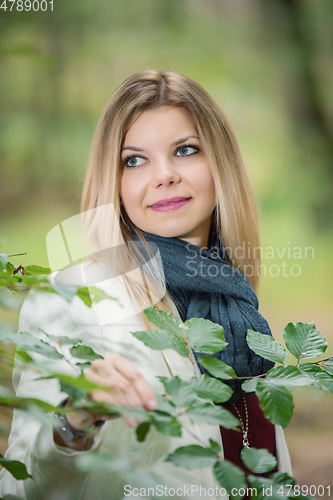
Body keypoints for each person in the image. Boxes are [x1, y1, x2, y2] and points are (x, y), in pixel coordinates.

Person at [0, 70, 292, 500]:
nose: (165, 175)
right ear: (114, 182)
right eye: (134, 160)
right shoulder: (75, 299)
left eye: (186, 150)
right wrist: (76, 418)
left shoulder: (234, 299)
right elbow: (22, 487)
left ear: (220, 162)